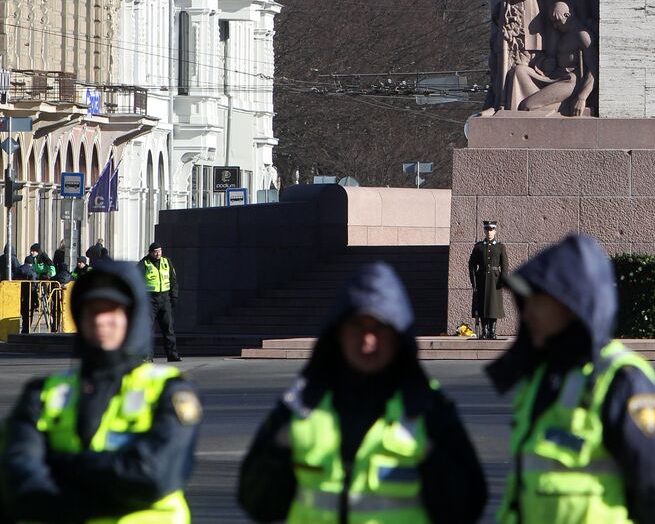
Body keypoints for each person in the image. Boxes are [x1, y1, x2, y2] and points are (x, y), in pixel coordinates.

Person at [238, 261, 486, 524]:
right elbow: (256, 503)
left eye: (380, 328)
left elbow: (467, 507)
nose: (368, 340)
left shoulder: (428, 408)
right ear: (339, 332)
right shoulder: (301, 405)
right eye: (358, 326)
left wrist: (433, 462)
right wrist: (278, 453)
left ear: (398, 336)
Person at [489, 232, 655, 524]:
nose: (526, 314)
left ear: (571, 305)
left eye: (537, 302)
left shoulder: (623, 381)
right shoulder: (543, 378)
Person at [0, 260, 201, 522]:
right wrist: (105, 483)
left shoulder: (169, 391)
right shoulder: (42, 394)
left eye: (112, 310)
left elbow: (151, 477)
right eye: (92, 310)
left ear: (133, 318)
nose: (100, 320)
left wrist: (60, 467)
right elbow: (16, 479)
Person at [468, 220, 508, 340]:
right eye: (487, 230)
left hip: (495, 280)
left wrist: (502, 280)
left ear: (495, 231)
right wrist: (474, 282)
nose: (489, 232)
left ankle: (492, 331)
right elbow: (471, 265)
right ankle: (484, 332)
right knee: (483, 305)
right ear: (484, 231)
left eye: (491, 230)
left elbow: (504, 265)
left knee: (493, 306)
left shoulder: (500, 247)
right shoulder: (479, 247)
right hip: (482, 279)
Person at [142, 242, 180, 362]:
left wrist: (174, 296)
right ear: (150, 252)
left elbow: (173, 280)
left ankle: (172, 355)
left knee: (168, 328)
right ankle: (147, 356)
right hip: (150, 300)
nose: (158, 253)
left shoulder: (166, 262)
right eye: (155, 251)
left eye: (160, 251)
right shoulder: (144, 263)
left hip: (164, 299)